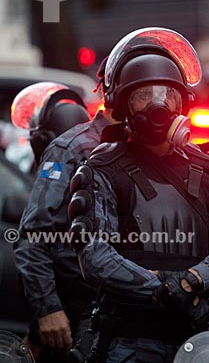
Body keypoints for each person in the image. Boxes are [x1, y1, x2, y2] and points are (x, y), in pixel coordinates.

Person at [68, 27, 209, 363]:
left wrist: (193, 279)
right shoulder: (102, 169)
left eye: (168, 95)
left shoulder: (208, 168)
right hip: (131, 339)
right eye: (144, 96)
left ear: (183, 103)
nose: (159, 105)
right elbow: (94, 257)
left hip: (201, 340)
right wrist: (170, 291)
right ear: (122, 104)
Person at [13, 64, 123, 361]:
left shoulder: (129, 146)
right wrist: (48, 309)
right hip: (78, 308)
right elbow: (34, 235)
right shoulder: (66, 151)